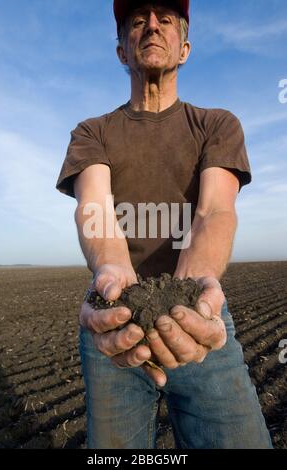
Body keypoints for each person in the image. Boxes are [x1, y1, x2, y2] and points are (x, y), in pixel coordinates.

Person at [56, 0, 273, 449]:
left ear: (185, 49)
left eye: (165, 20)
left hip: (200, 316)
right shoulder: (92, 132)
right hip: (116, 322)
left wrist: (197, 287)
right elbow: (94, 207)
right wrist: (113, 274)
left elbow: (214, 211)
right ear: (121, 51)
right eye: (137, 22)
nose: (152, 26)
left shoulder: (216, 125)